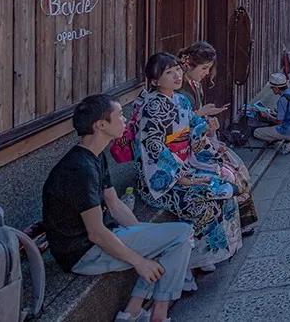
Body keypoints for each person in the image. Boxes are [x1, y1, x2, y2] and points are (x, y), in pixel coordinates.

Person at [43, 94, 195, 322]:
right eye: (120, 116)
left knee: (176, 238)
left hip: (102, 238)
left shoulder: (94, 156)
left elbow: (114, 205)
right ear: (101, 125)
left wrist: (146, 235)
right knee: (182, 234)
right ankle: (154, 314)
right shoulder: (79, 169)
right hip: (83, 253)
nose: (125, 121)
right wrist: (140, 260)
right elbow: (96, 233)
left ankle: (135, 311)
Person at [133, 53, 242, 271]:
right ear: (154, 81)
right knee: (205, 198)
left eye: (177, 70)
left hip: (185, 166)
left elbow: (194, 129)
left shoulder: (181, 100)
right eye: (168, 72)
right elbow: (154, 147)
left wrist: (207, 128)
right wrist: (180, 177)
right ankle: (189, 263)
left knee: (226, 185)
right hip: (162, 178)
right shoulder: (150, 107)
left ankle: (214, 250)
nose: (176, 75)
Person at [178, 41, 259, 236]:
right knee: (228, 173)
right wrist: (200, 114)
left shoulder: (194, 85)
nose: (206, 73)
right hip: (187, 150)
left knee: (237, 168)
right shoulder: (179, 91)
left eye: (208, 68)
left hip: (201, 141)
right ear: (188, 65)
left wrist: (206, 118)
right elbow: (179, 125)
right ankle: (232, 229)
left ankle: (242, 223)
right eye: (204, 68)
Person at [253, 73, 290, 153]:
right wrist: (275, 113)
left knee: (257, 132)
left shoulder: (282, 100)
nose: (272, 90)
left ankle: (288, 139)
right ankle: (289, 139)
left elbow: (279, 121)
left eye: (272, 88)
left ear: (276, 88)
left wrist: (268, 116)